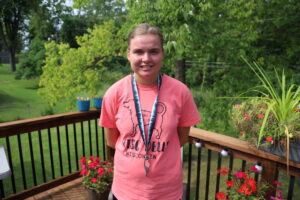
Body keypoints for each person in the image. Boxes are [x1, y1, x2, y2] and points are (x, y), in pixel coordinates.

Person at [99, 23, 201, 200]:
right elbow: (112, 140)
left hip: (166, 192)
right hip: (125, 192)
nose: (146, 58)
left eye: (154, 51)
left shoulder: (180, 92)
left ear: (162, 54)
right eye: (139, 52)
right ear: (128, 54)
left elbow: (181, 138)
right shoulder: (114, 93)